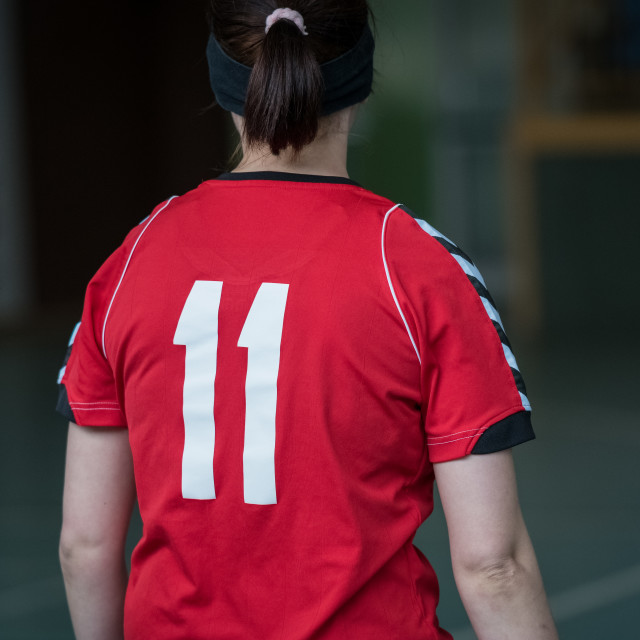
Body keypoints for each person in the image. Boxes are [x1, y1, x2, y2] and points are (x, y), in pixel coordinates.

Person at [57, 2, 559, 639]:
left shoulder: (131, 261)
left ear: (223, 84)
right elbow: (494, 565)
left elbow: (85, 546)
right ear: (360, 83)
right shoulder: (417, 266)